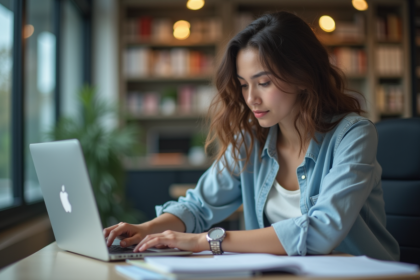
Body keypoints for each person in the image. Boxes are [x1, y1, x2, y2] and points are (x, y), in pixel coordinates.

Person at [104, 11, 399, 261]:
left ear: (303, 75)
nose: (251, 98)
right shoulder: (251, 141)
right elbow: (198, 206)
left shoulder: (353, 135)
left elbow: (321, 231)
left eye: (264, 82)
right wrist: (148, 228)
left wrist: (206, 241)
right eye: (244, 85)